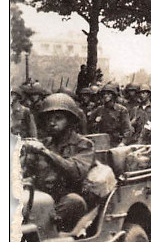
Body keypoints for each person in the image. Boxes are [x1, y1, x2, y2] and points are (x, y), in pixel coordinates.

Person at [19, 93, 96, 231]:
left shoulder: (84, 145)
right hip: (41, 198)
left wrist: (46, 153)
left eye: (58, 118)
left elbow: (76, 171)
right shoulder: (45, 143)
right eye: (48, 119)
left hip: (67, 201)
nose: (52, 122)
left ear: (70, 120)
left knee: (74, 201)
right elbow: (25, 170)